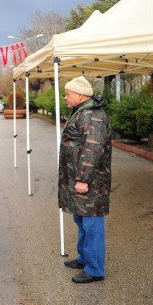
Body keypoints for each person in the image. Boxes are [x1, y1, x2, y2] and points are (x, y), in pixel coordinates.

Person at [59, 76, 112, 284]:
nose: (65, 97)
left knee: (92, 224)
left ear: (80, 95)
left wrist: (82, 179)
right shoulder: (82, 112)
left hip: (91, 183)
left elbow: (92, 150)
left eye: (68, 94)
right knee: (81, 219)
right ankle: (84, 258)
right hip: (81, 179)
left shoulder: (92, 116)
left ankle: (95, 269)